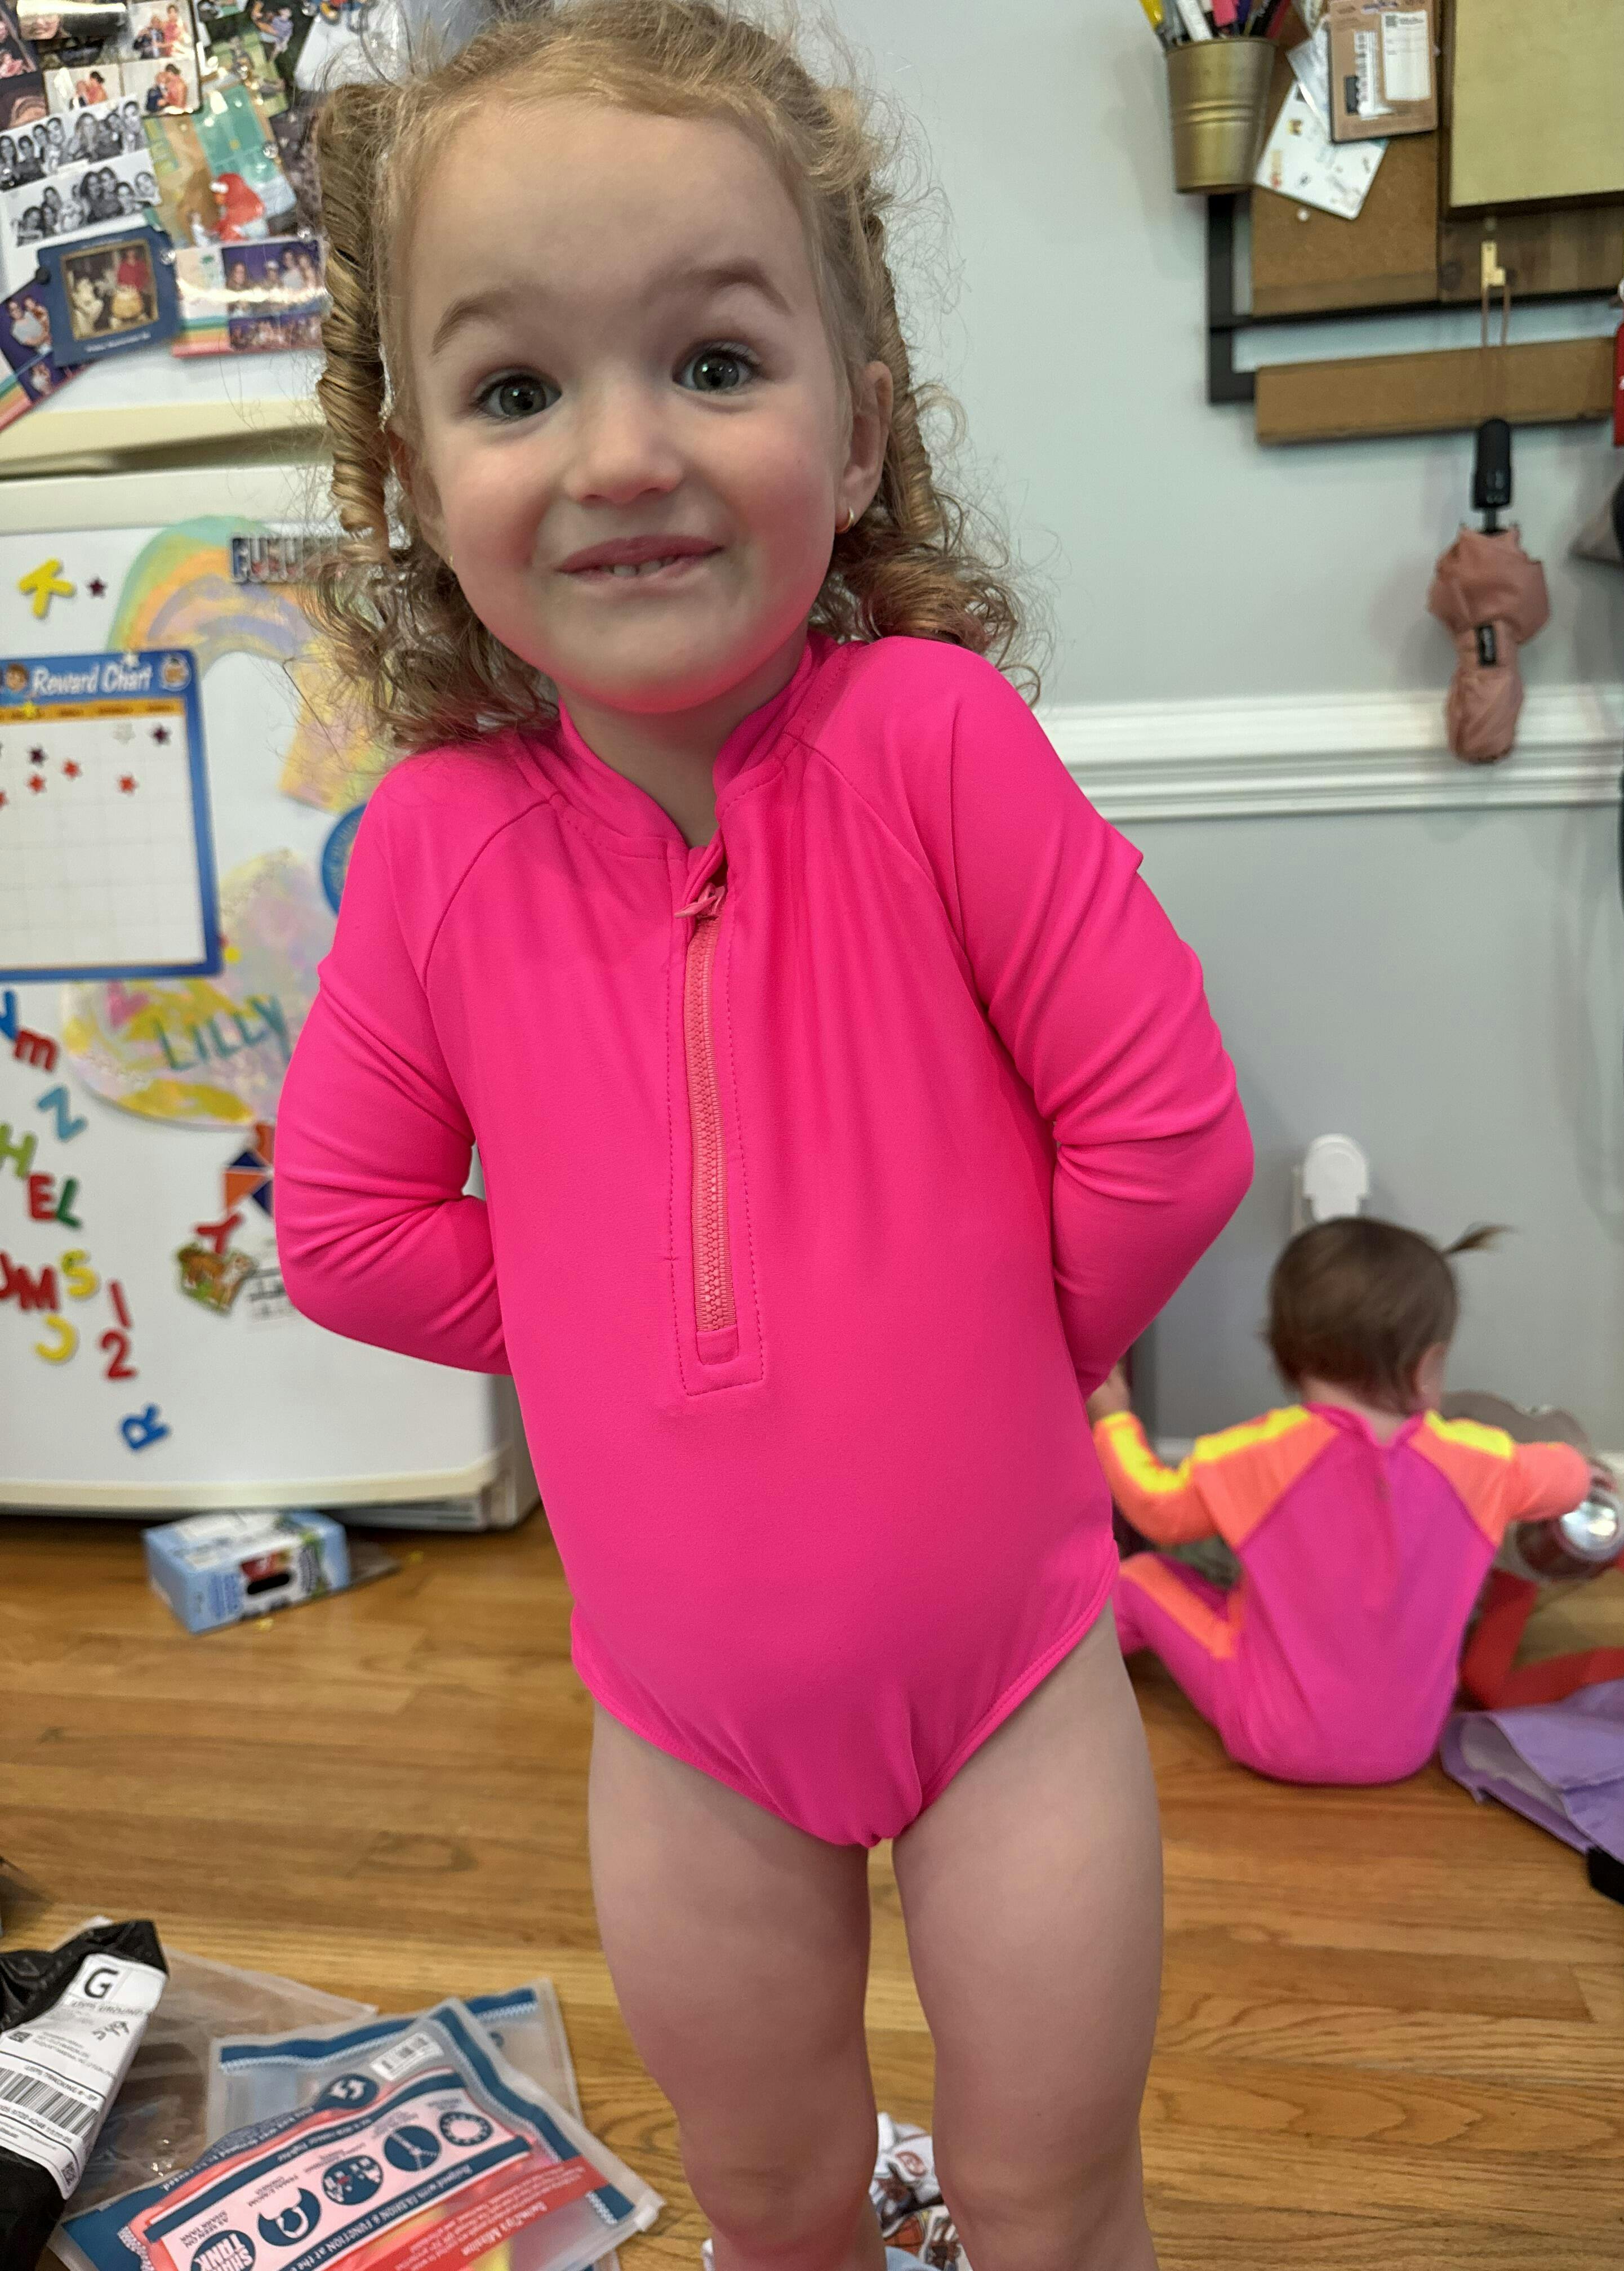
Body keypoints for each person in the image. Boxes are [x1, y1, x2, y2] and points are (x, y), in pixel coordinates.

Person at [272, 7, 1252, 2270]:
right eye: (517, 389)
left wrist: (982, 1340)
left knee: (1047, 2195)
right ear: (411, 475)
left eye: (715, 362)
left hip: (1016, 1684)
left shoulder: (935, 744)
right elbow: (343, 1226)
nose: (623, 453)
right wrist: (601, 1315)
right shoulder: (435, 852)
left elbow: (1166, 1135)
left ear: (863, 422)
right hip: (686, 1733)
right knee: (771, 2200)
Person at [1088, 1217, 1605, 1786]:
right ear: (1428, 1367)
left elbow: (1155, 1507)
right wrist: (1585, 1470)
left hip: (1269, 1738)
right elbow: (1570, 1479)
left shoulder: (1257, 1453)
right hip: (1408, 1747)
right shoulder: (1481, 1461)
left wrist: (1114, 1421)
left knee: (1141, 1579)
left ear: (1284, 1355)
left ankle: (1072, 1683)